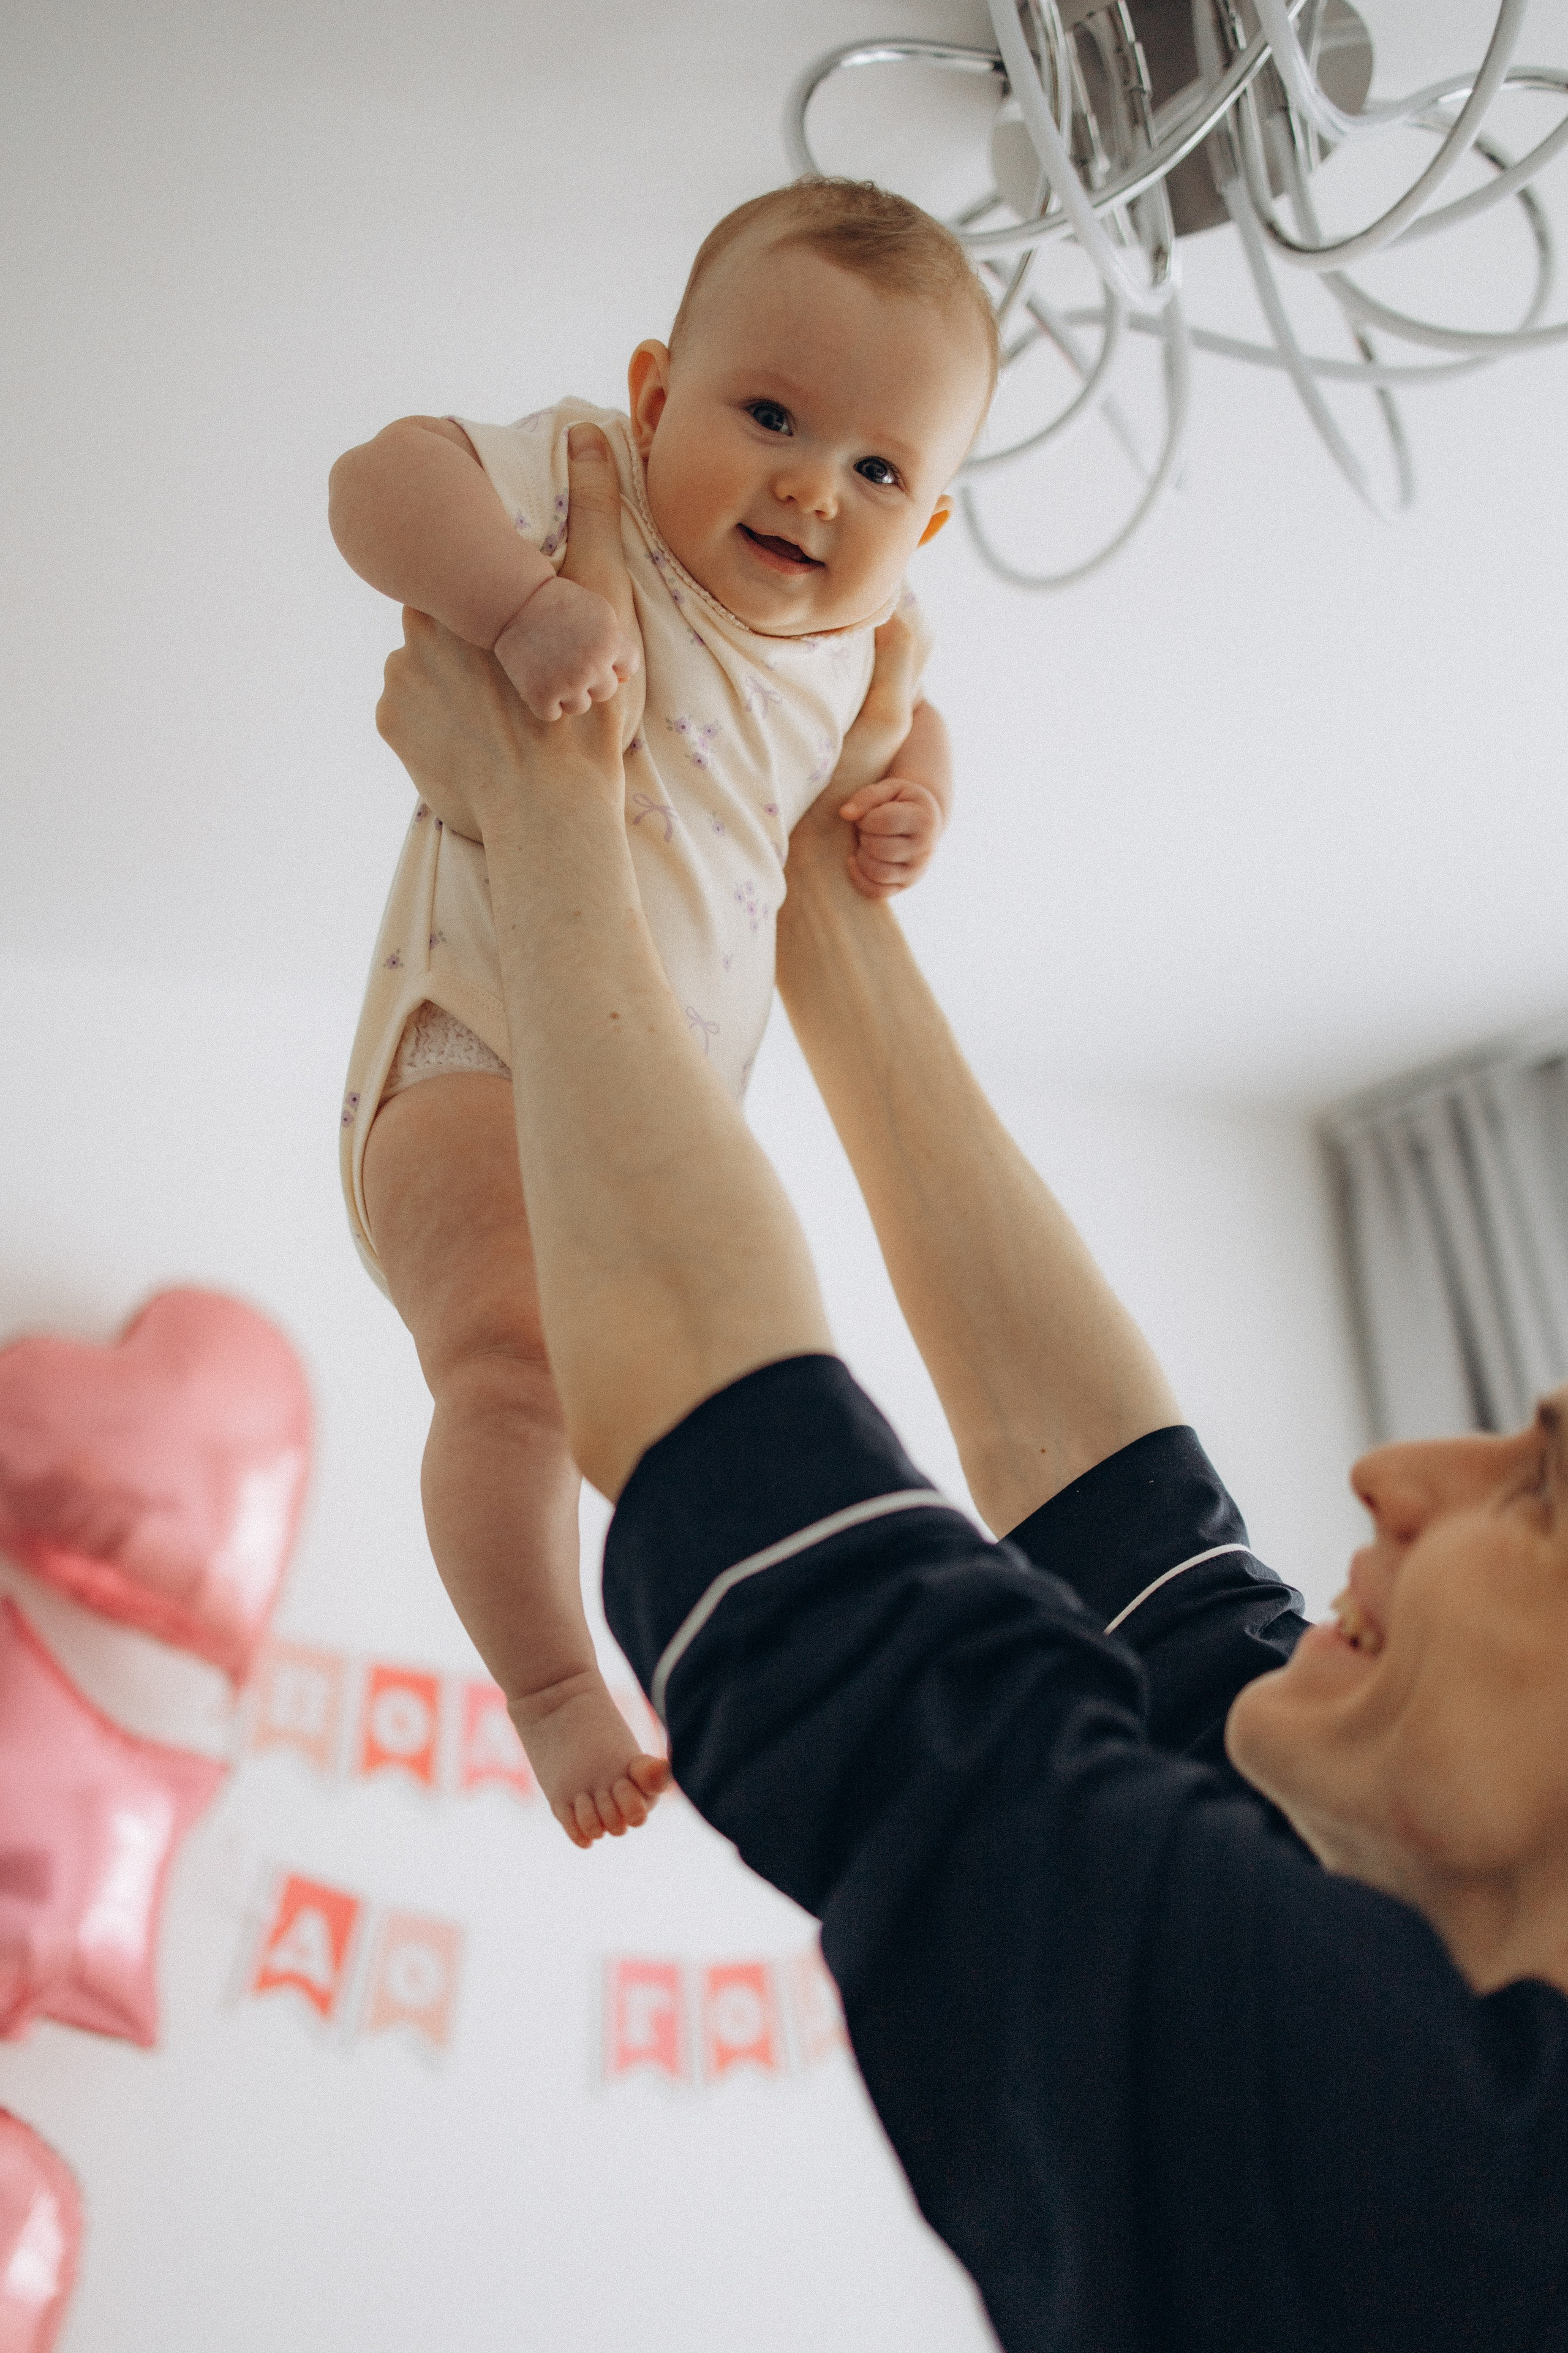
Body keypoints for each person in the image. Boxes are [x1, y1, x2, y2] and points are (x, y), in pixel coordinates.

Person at [372, 429, 1568, 2353]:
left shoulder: (1431, 2176)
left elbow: (806, 1562)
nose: (1394, 1467)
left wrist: (551, 824)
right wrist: (813, 893)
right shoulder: (1416, 1981)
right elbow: (1142, 1546)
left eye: (1538, 1498)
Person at [328, 179, 997, 1843]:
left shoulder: (867, 650)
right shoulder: (583, 485)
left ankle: (696, 1666)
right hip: (475, 1041)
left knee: (653, 1415)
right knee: (508, 1369)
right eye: (770, 412)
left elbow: (906, 750)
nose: (809, 484)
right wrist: (517, 602)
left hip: (645, 1110)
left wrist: (916, 797)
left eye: (878, 469)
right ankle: (553, 1683)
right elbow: (371, 482)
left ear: (926, 528)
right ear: (651, 399)